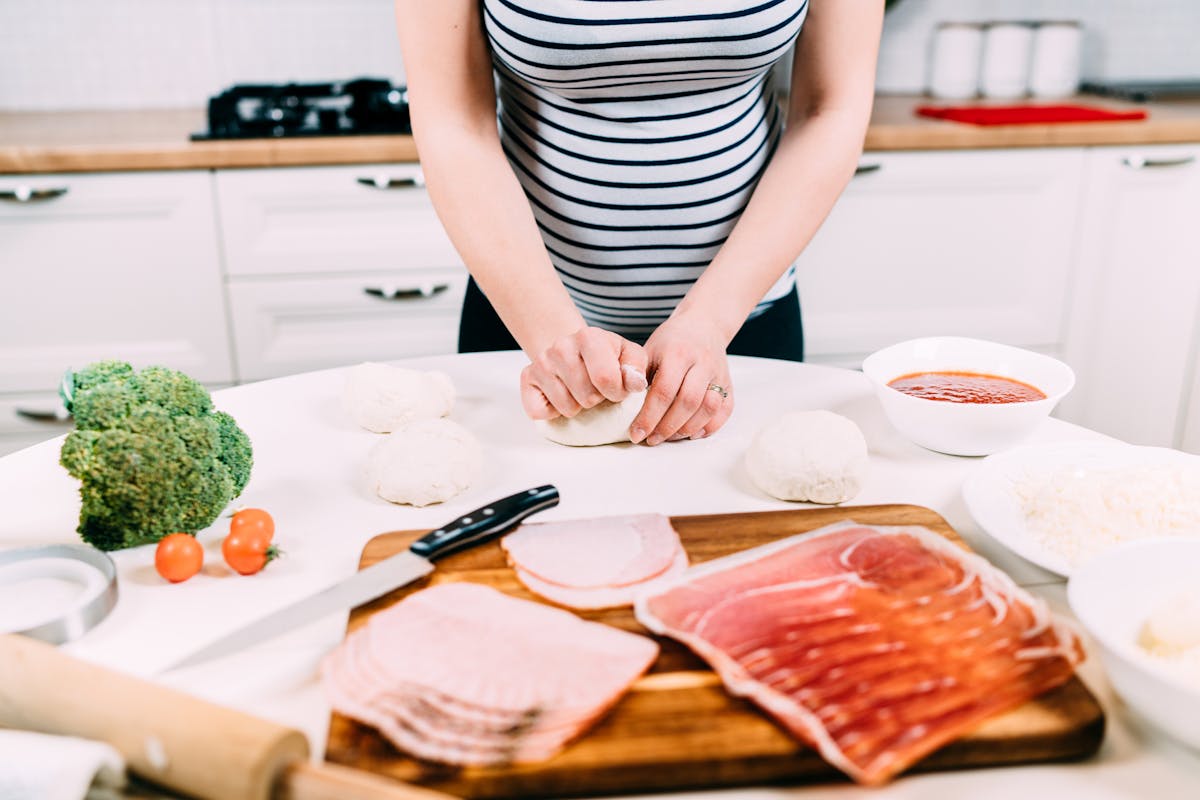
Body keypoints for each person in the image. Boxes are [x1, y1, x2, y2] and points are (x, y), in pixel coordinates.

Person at [395, 0, 883, 445]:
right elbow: (452, 120)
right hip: (529, 325)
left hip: (743, 319)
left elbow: (830, 108)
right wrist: (553, 336)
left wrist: (709, 322)